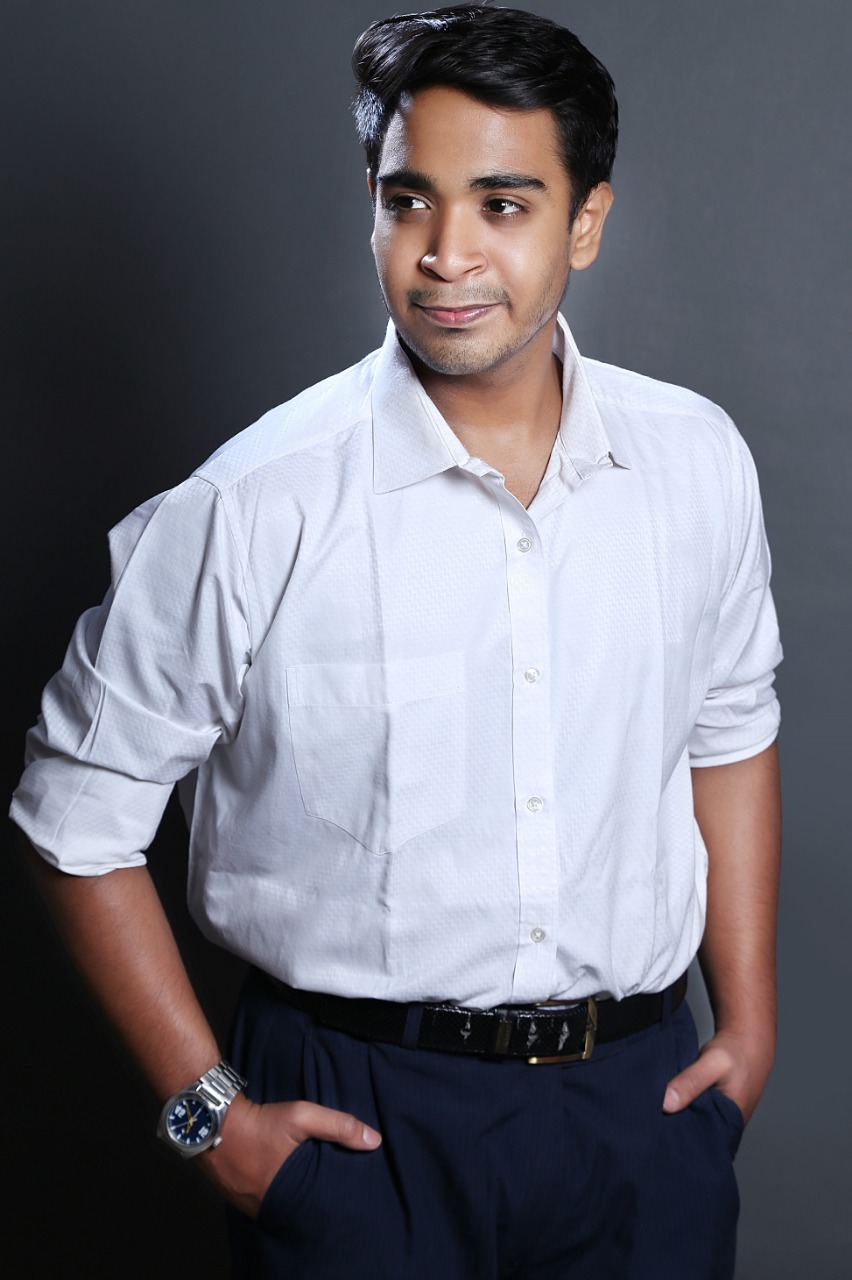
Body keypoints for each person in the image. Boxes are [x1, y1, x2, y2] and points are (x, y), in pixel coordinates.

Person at [10, 5, 782, 1278]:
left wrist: (747, 1025)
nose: (445, 254)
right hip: (360, 1123)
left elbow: (731, 725)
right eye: (408, 200)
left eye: (503, 204)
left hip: (640, 1110)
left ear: (587, 220)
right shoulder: (249, 508)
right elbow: (71, 819)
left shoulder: (697, 462)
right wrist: (208, 1118)